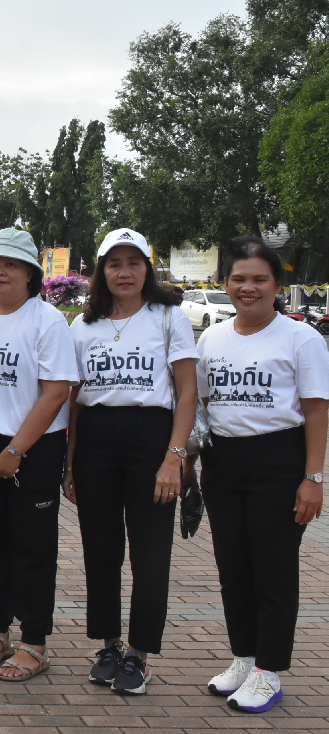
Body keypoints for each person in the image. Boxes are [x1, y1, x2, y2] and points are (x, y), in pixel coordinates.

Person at [197, 236, 329, 713]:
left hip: (279, 460)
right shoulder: (211, 338)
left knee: (273, 570)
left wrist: (313, 478)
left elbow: (317, 411)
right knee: (233, 568)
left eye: (259, 279)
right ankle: (245, 659)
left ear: (277, 284)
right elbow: (204, 404)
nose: (247, 287)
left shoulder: (301, 338)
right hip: (223, 461)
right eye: (238, 278)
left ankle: (269, 671)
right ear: (225, 282)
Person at [63, 228, 197, 695]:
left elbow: (187, 393)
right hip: (96, 440)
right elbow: (74, 401)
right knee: (100, 551)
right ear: (101, 270)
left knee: (150, 553)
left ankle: (139, 654)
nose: (125, 272)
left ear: (147, 269)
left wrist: (174, 457)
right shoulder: (83, 327)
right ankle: (109, 646)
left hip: (152, 439)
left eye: (134, 262)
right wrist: (70, 464)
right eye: (115, 263)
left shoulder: (169, 317)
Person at [0, 229, 77, 682]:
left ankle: (34, 642)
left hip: (34, 448)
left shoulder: (47, 321)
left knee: (32, 548)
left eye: (11, 264)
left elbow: (55, 393)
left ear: (31, 274)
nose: (0, 272)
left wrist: (15, 450)